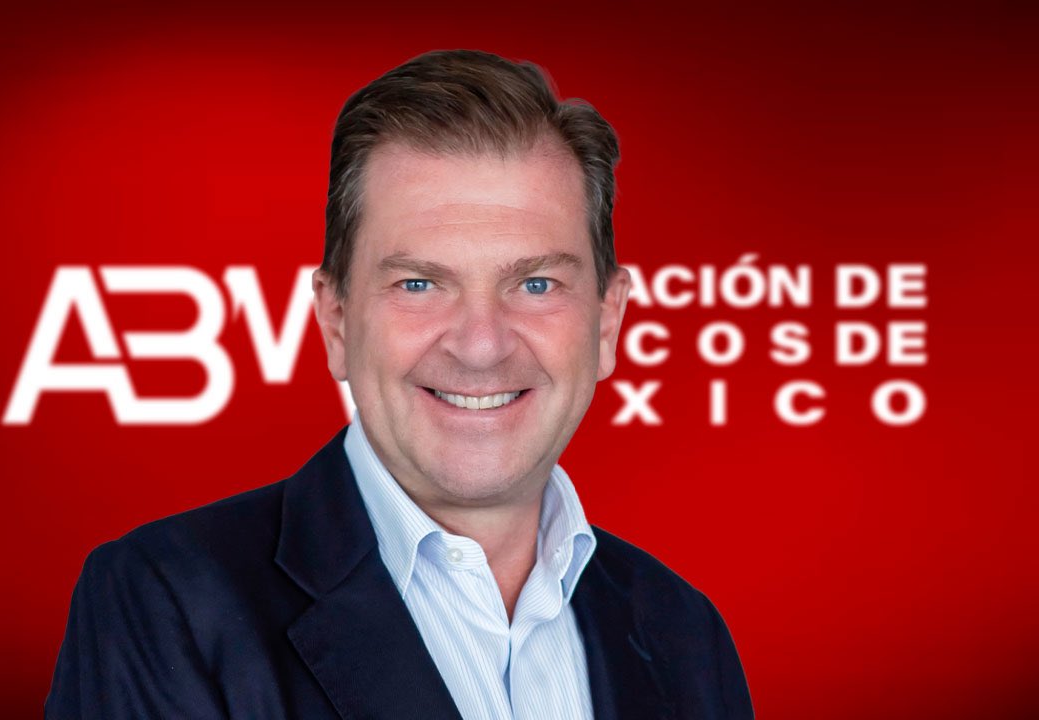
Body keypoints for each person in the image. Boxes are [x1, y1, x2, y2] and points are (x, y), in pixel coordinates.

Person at [46, 49, 754, 720]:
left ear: (607, 323)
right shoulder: (165, 601)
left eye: (536, 284)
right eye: (419, 284)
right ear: (336, 321)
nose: (481, 345)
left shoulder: (684, 634)